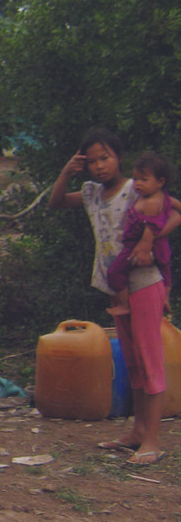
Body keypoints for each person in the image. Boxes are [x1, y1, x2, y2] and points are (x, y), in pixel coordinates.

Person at [49, 128, 178, 465]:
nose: (99, 166)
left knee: (150, 362)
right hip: (116, 286)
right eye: (91, 161)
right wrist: (66, 172)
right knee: (133, 362)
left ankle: (152, 440)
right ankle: (136, 432)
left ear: (119, 157)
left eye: (104, 158)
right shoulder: (92, 193)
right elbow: (56, 202)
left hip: (145, 283)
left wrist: (150, 240)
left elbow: (174, 208)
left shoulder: (138, 188)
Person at [104, 151, 173, 318]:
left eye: (144, 179)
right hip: (161, 246)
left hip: (136, 246)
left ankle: (124, 304)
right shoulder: (162, 197)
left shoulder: (150, 202)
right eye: (135, 179)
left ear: (160, 182)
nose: (138, 184)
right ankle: (166, 298)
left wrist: (143, 248)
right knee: (166, 272)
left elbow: (151, 229)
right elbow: (176, 205)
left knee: (114, 272)